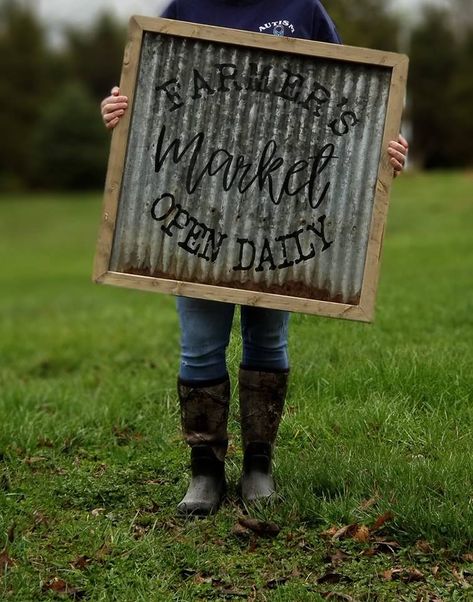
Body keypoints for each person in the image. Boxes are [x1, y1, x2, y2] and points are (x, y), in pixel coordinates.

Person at [100, 0, 409, 516]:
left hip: (278, 216)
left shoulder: (302, 8)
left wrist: (385, 147)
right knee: (200, 346)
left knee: (269, 338)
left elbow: (352, 98)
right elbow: (148, 92)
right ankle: (205, 473)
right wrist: (117, 109)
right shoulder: (186, 6)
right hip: (198, 211)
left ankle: (258, 468)